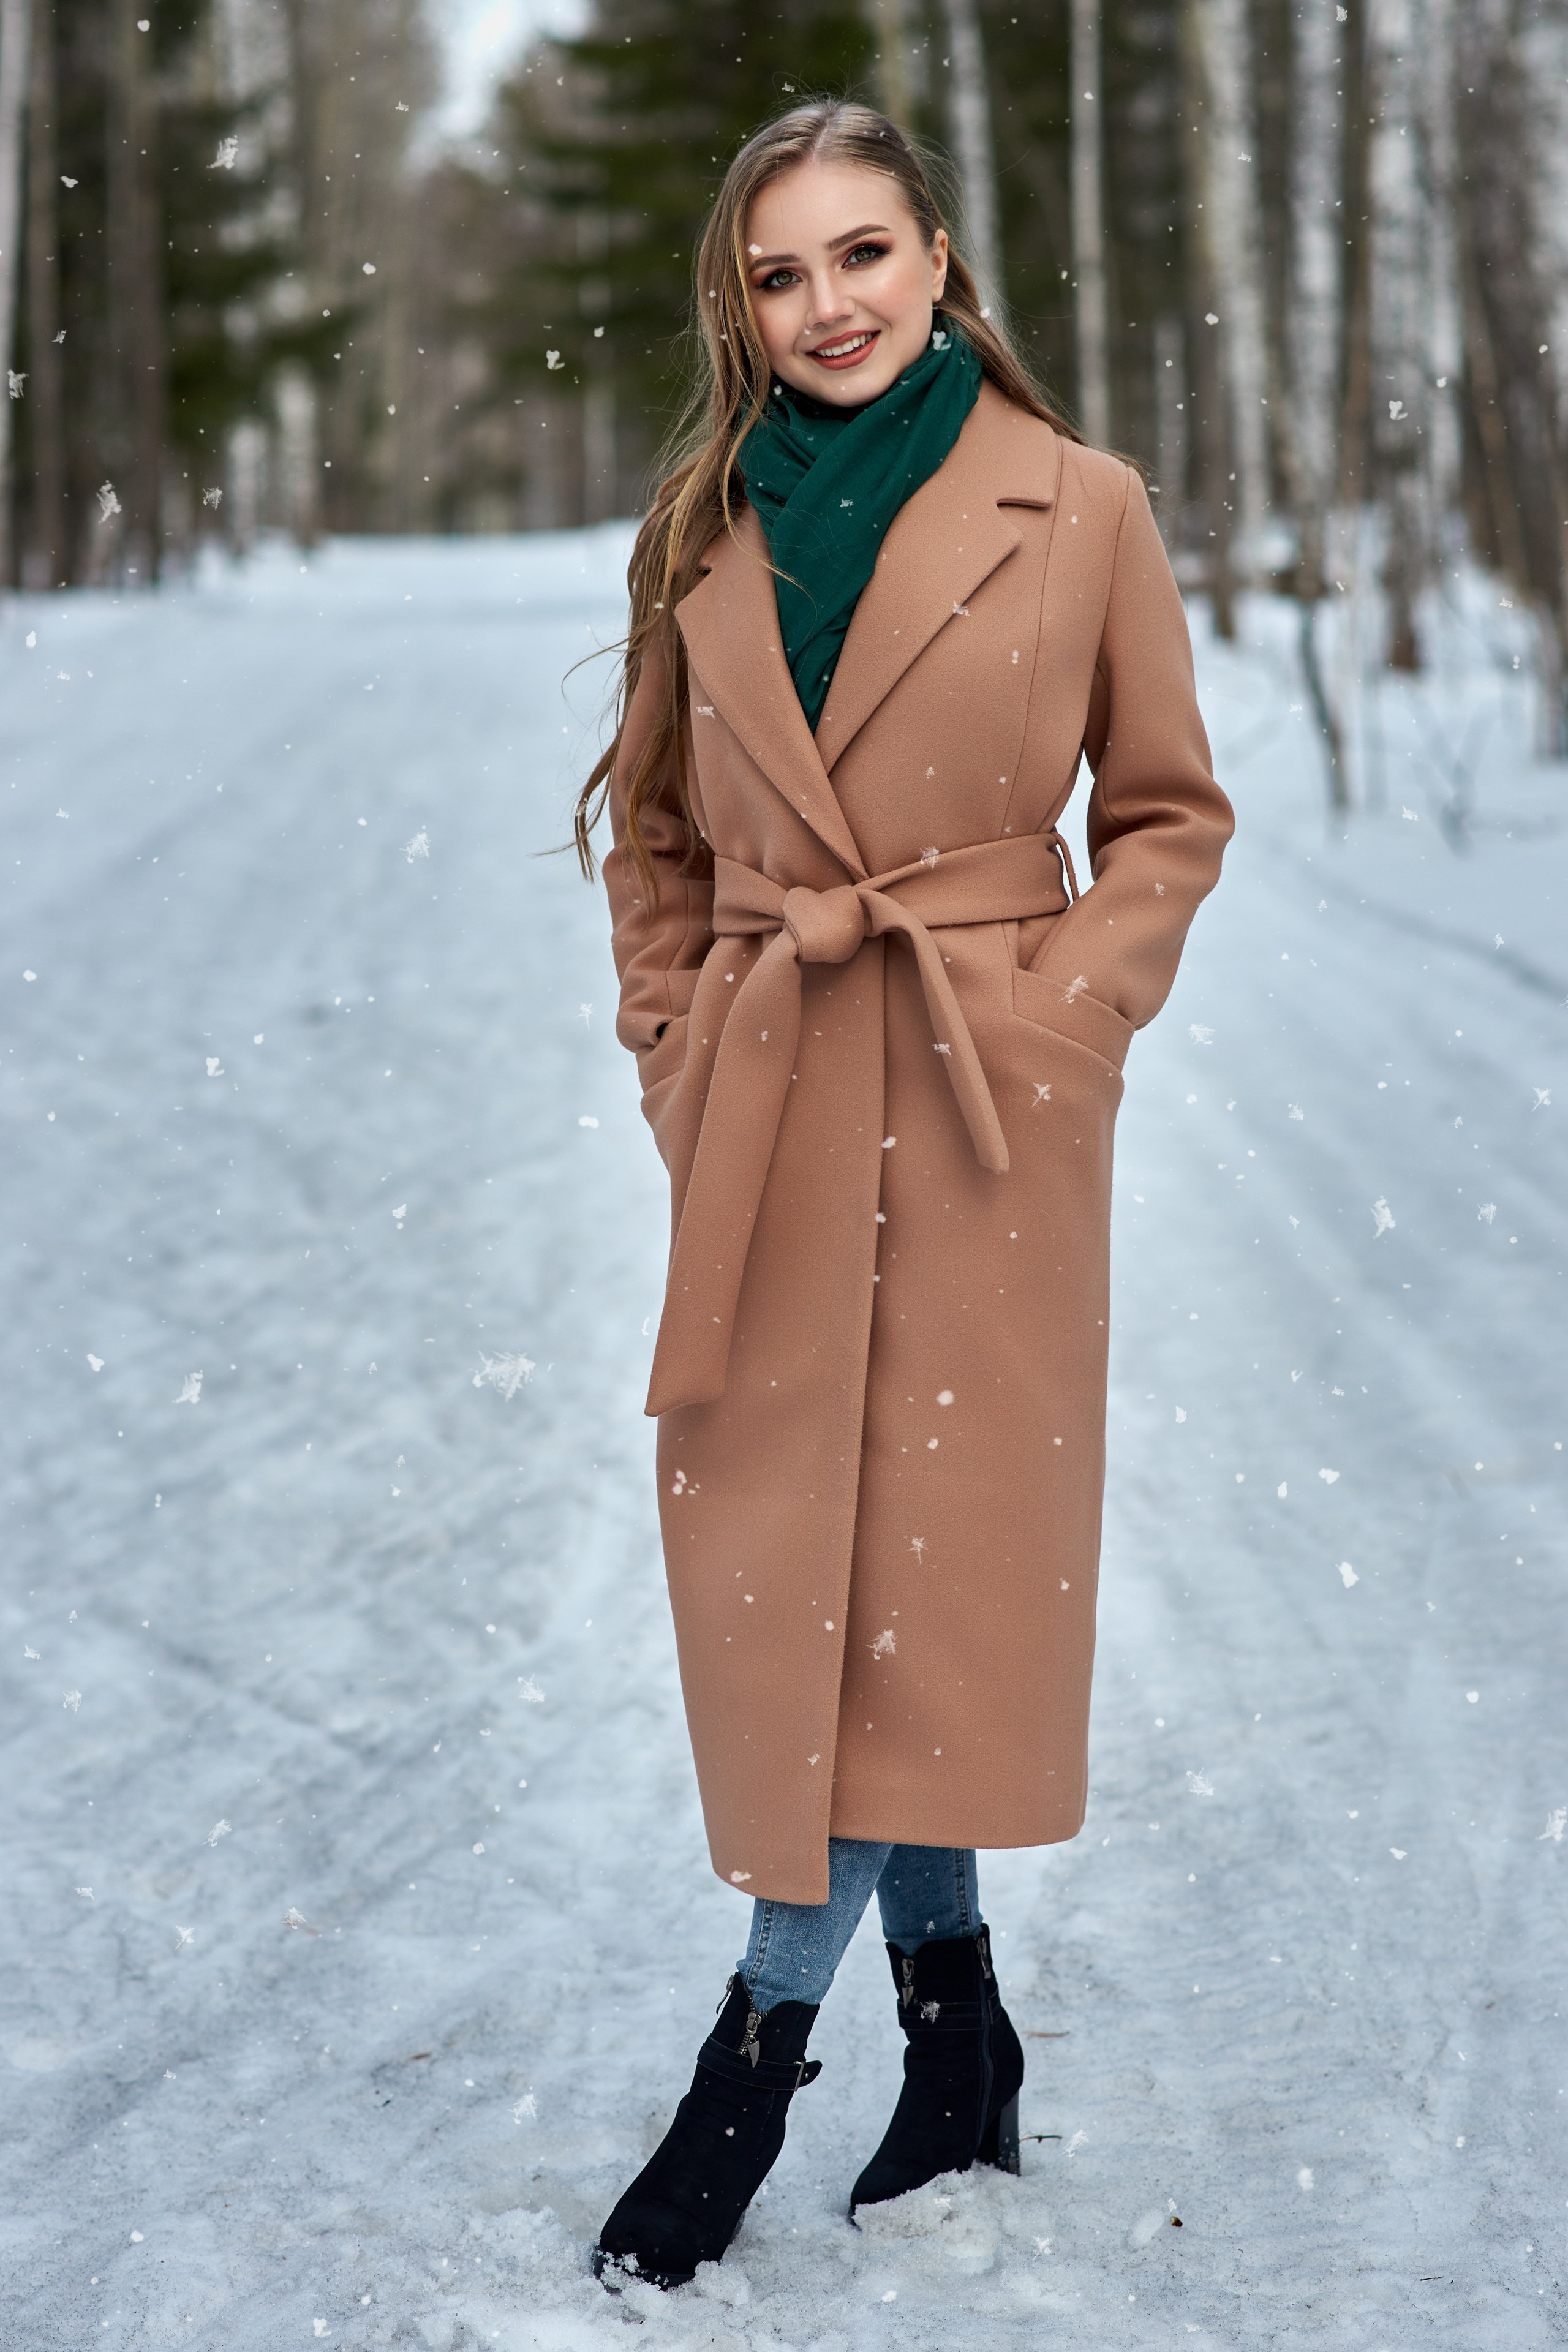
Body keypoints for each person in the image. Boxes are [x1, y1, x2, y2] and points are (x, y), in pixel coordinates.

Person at [575, 97, 1233, 2291]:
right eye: (780, 273)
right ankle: (956, 2031)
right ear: (740, 306)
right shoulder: (704, 533)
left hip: (979, 1109)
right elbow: (657, 844)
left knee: (923, 1595)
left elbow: (1166, 812)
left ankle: (755, 2049)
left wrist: (1068, 1026)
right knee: (807, 1595)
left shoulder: (1083, 509)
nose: (829, 304)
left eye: (864, 253)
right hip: (767, 1109)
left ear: (940, 258)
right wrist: (681, 1048)